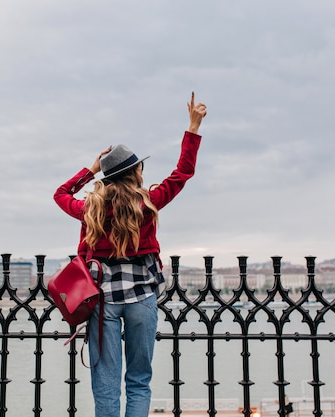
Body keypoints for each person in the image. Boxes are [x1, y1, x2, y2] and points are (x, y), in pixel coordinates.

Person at [54, 92, 207, 417]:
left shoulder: (91, 208)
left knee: (106, 383)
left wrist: (91, 169)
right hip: (142, 299)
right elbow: (182, 174)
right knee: (139, 379)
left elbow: (61, 194)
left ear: (108, 177)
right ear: (136, 172)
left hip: (104, 301)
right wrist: (192, 128)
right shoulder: (148, 202)